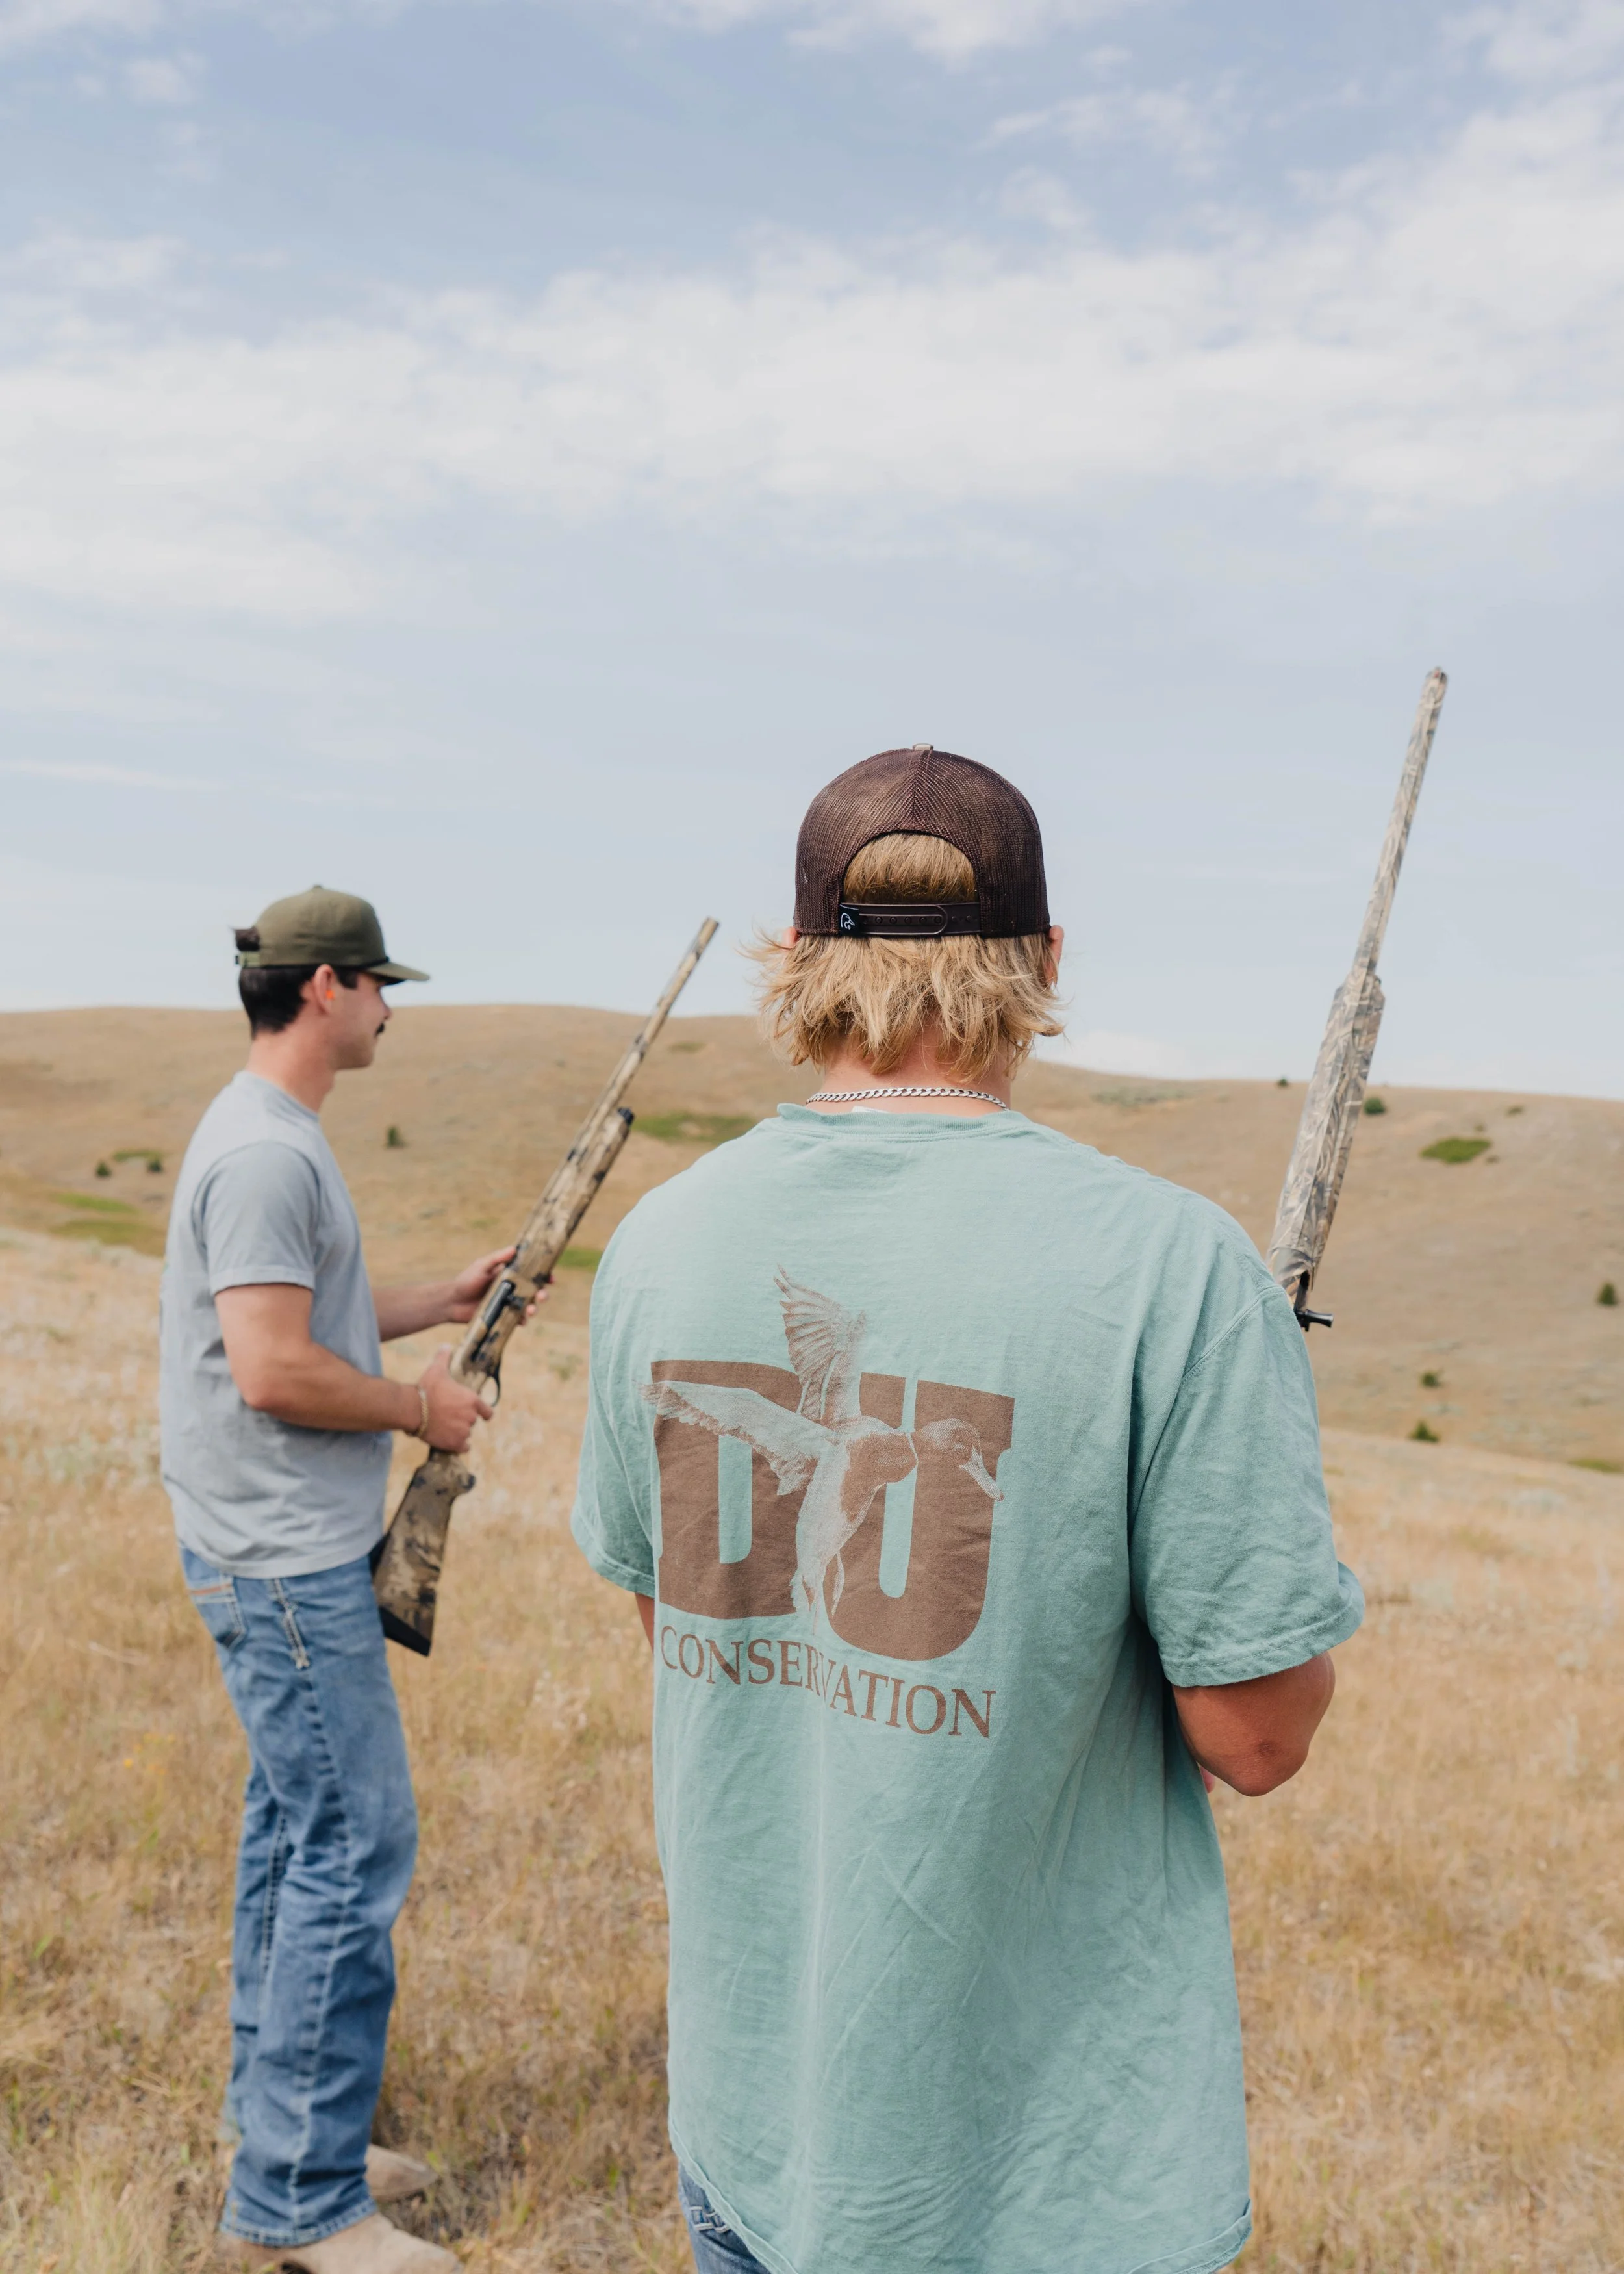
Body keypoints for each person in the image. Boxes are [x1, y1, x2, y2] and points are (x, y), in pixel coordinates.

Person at [570, 746, 1363, 2274]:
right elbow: (1254, 1737)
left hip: (755, 2120)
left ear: (793, 957)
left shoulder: (661, 1246)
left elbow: (684, 1623)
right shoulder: (1174, 1267)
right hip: (1044, 2174)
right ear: (1046, 958)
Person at [162, 886, 524, 2274]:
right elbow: (270, 1367)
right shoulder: (266, 1152)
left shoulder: (264, 1131)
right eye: (380, 986)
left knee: (290, 1838)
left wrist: (437, 1301)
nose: (388, 1008)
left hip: (267, 1548)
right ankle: (303, 2197)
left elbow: (290, 1312)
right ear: (324, 988)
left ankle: (283, 2124)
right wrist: (416, 1412)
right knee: (351, 1847)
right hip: (288, 1564)